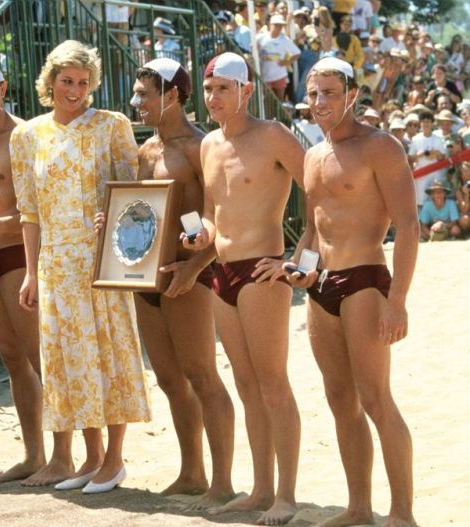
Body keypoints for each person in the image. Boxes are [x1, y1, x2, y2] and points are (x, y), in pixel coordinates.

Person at [10, 40, 151, 494]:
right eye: (67, 81)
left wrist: (114, 214)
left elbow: (136, 192)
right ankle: (90, 459)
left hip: (103, 259)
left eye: (84, 82)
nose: (75, 90)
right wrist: (31, 272)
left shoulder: (112, 125)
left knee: (110, 353)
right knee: (72, 361)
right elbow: (28, 211)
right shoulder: (26, 135)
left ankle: (114, 460)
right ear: (50, 81)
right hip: (54, 265)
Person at [291, 57, 419, 527]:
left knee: (376, 399)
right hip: (320, 287)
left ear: (351, 95)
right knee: (339, 399)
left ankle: (402, 513)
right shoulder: (311, 154)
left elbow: (408, 226)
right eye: (313, 93)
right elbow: (311, 229)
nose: (319, 102)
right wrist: (300, 269)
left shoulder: (380, 147)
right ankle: (359, 508)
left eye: (329, 93)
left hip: (365, 280)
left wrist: (398, 301)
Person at [185, 52, 304, 525]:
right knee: (246, 383)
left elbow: (319, 190)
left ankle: (288, 497)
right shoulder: (209, 144)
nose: (213, 98)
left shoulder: (273, 135)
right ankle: (260, 489)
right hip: (223, 272)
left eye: (222, 89)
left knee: (274, 384)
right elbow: (214, 215)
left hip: (262, 270)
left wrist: (300, 260)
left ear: (246, 91)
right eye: (209, 89)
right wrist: (200, 237)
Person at [121, 58, 237, 503]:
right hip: (148, 278)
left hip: (190, 276)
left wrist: (194, 267)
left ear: (171, 95)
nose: (136, 102)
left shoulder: (200, 147)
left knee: (203, 375)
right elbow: (142, 215)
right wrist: (111, 227)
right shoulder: (145, 151)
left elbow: (220, 218)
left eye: (143, 94)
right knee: (170, 379)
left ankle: (223, 481)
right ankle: (193, 473)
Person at [0, 57, 68, 485]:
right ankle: (33, 454)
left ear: (4, 89)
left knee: (42, 360)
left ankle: (63, 457)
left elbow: (42, 207)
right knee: (12, 361)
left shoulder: (25, 134)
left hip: (19, 258)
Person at [256, 14, 300, 101]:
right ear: (270, 25)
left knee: (280, 100)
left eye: (280, 25)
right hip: (265, 75)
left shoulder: (285, 39)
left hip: (280, 75)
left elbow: (297, 53)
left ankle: (279, 115)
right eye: (276, 24)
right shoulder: (260, 37)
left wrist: (286, 62)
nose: (278, 27)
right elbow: (252, 48)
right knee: (267, 100)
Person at [407, 111, 447, 207]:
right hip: (421, 175)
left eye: (428, 121)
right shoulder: (415, 139)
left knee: (435, 201)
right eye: (424, 121)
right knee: (420, 201)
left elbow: (443, 158)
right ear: (420, 123)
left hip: (435, 174)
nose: (426, 124)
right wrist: (418, 155)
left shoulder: (439, 139)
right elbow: (410, 158)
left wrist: (436, 153)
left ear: (432, 123)